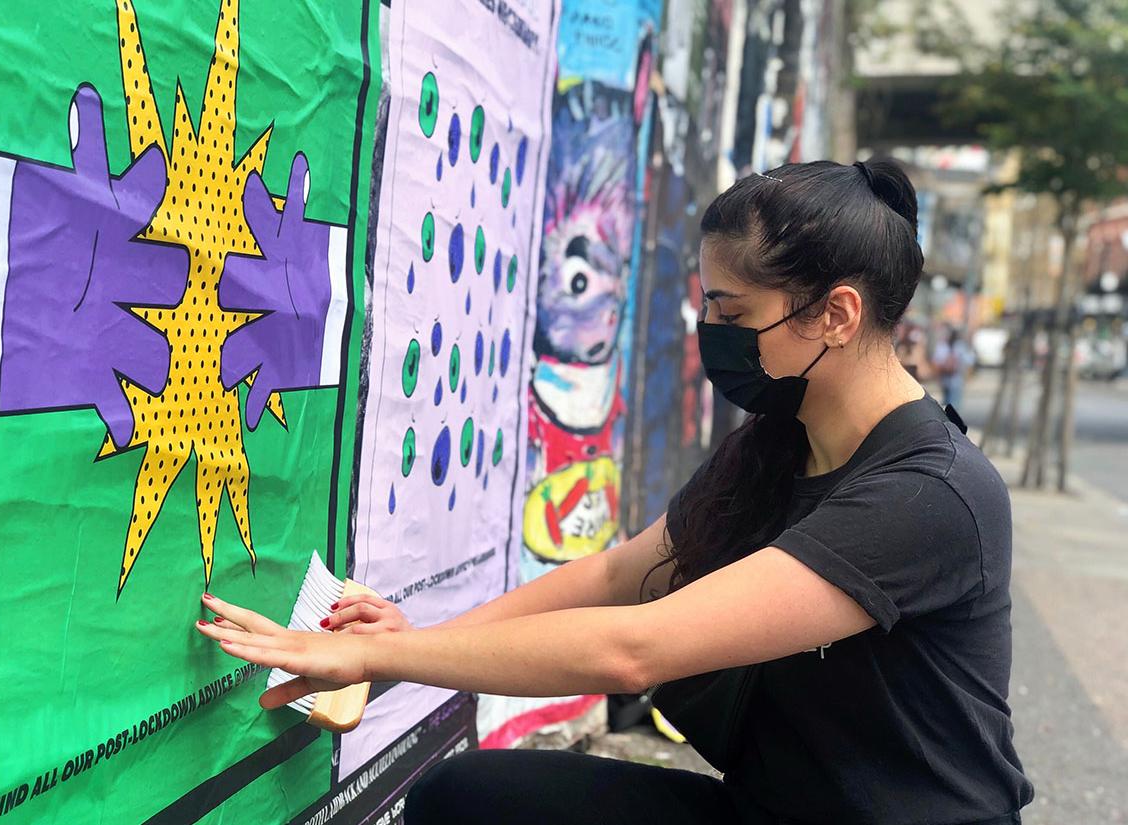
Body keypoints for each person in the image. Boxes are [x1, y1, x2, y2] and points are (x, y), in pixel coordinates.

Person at [195, 159, 1033, 825]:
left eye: (734, 312)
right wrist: (420, 643)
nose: (713, 333)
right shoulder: (783, 440)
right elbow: (615, 576)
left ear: (837, 314)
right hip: (771, 810)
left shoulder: (931, 493)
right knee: (466, 800)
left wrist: (376, 657)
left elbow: (635, 647)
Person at [933, 325, 975, 409]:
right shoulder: (960, 346)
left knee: (946, 401)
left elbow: (936, 361)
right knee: (954, 404)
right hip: (957, 380)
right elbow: (969, 360)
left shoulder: (943, 345)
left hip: (945, 378)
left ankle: (945, 418)